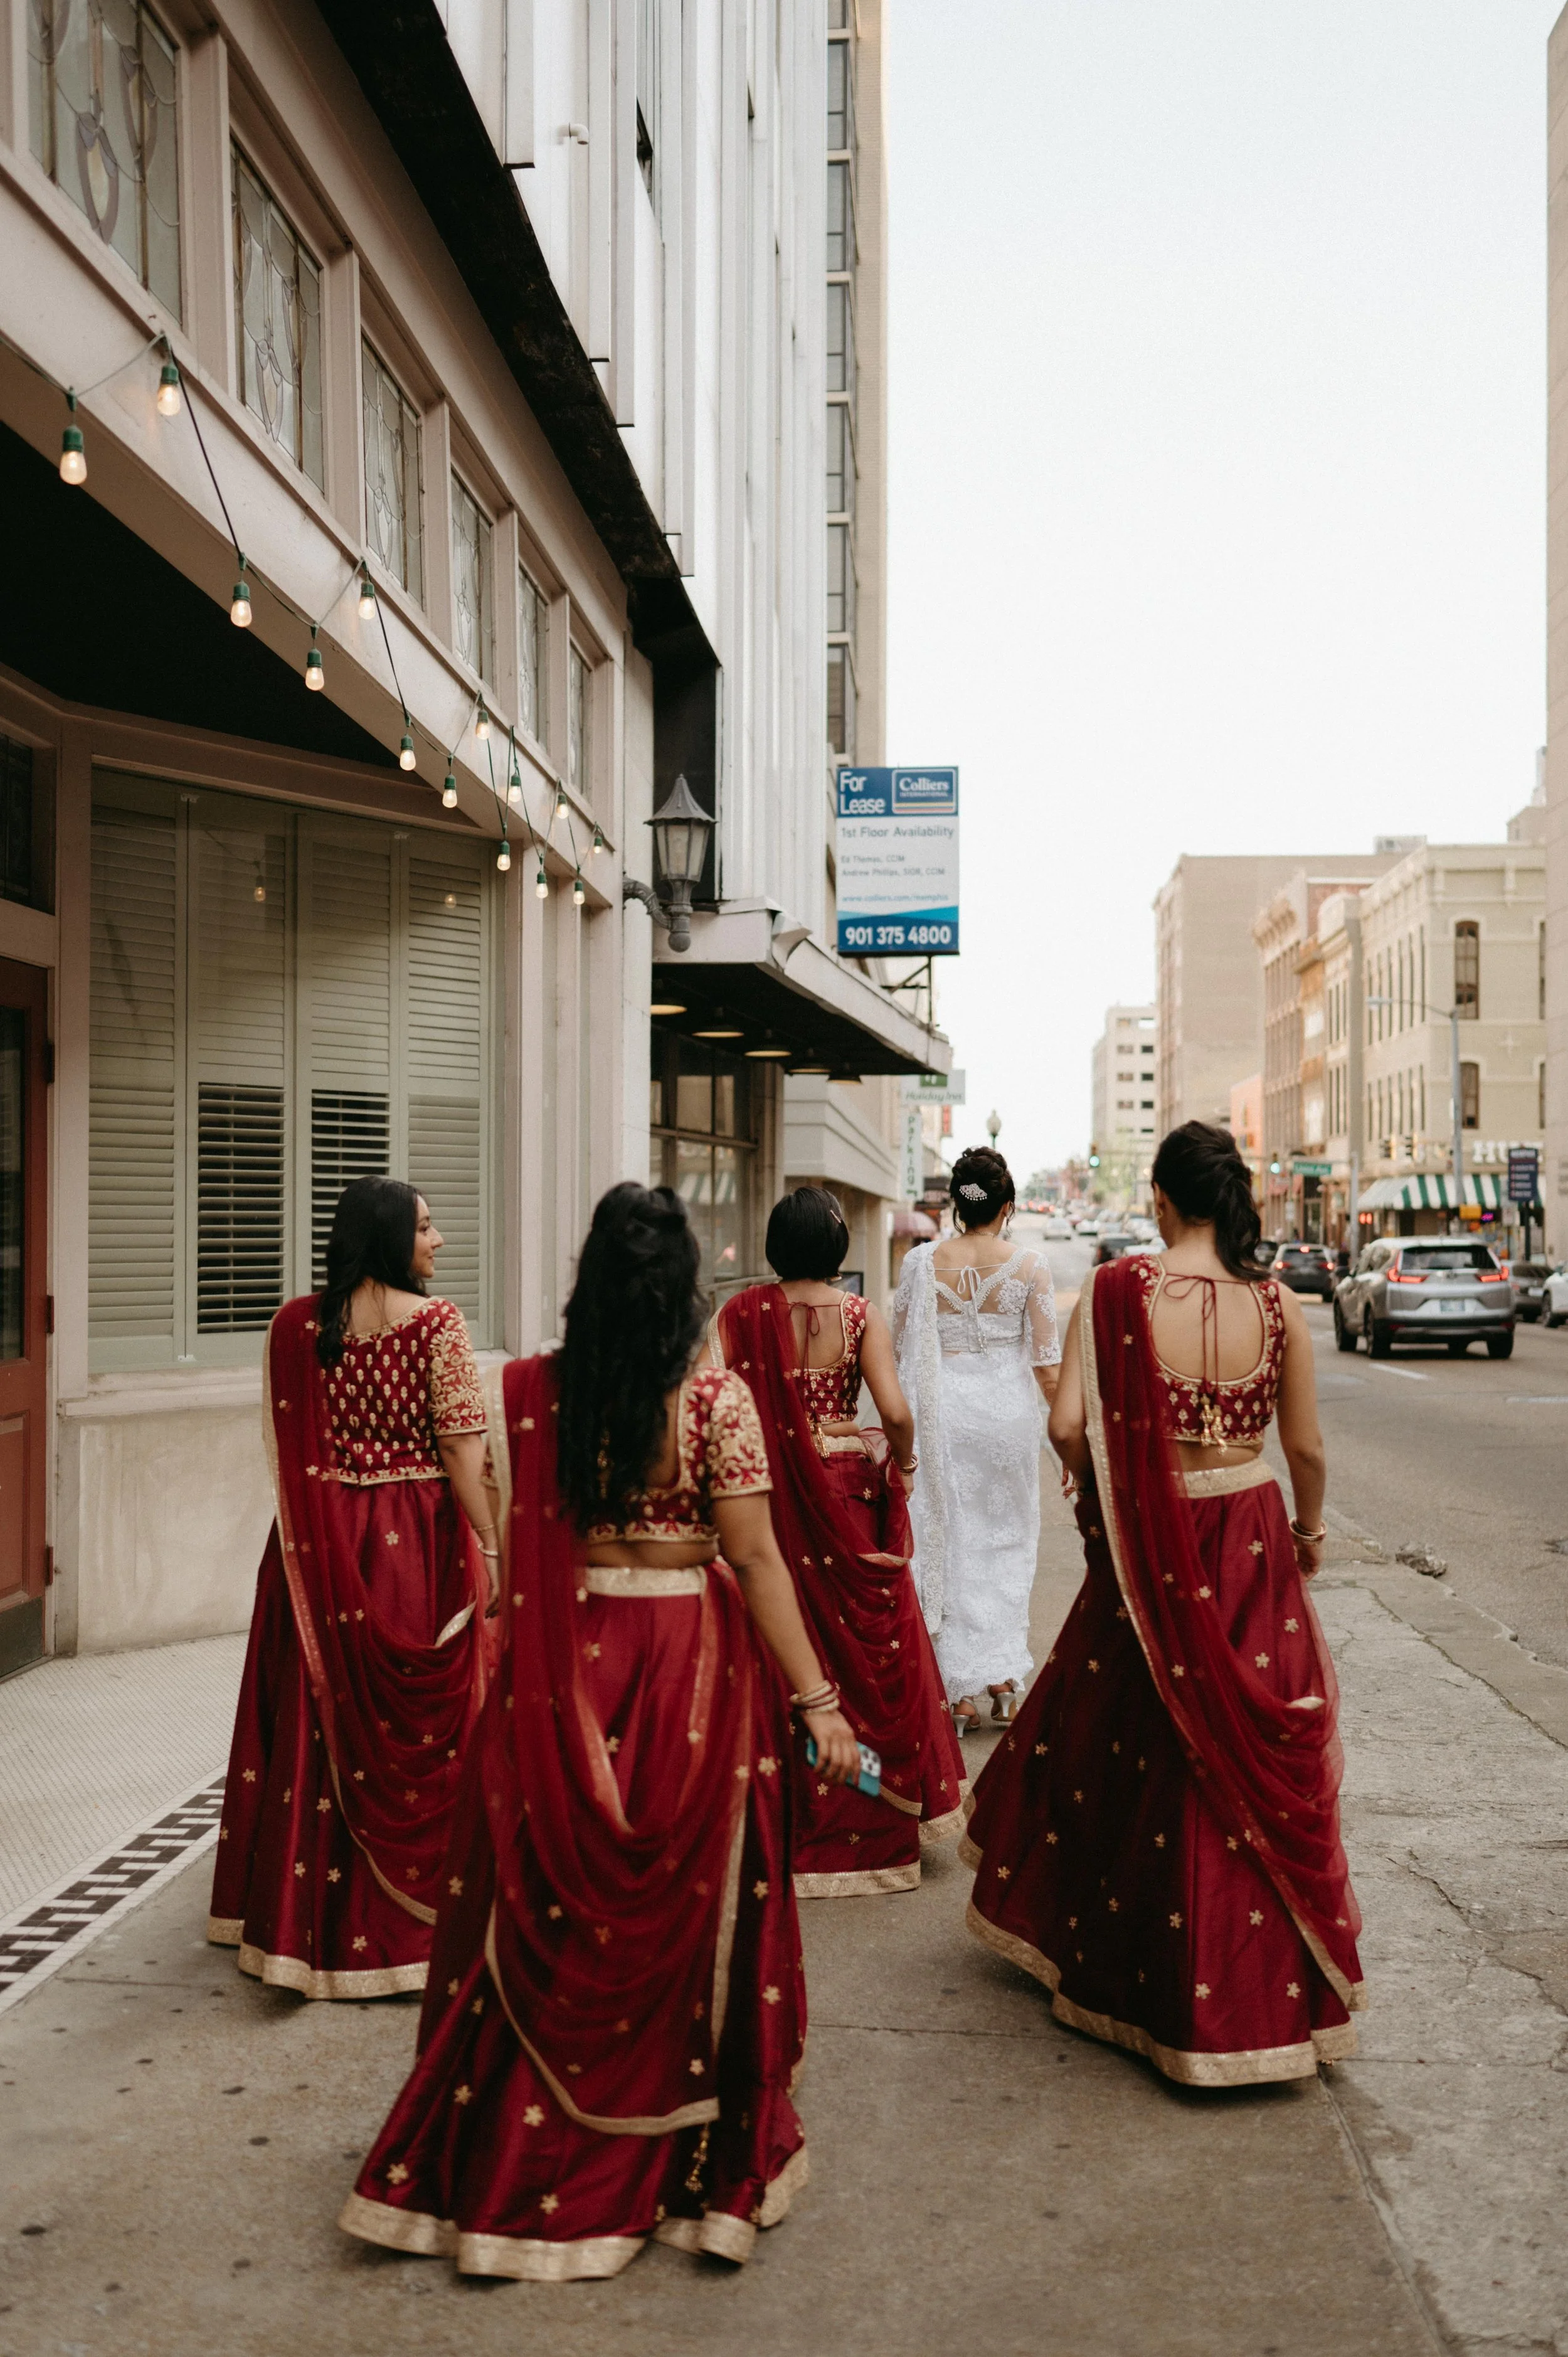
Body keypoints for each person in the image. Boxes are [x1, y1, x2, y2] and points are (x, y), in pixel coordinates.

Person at [339, 1183, 860, 2281]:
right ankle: (683, 2158)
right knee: (690, 1906)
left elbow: (527, 1525)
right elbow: (757, 1561)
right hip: (687, 1665)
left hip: (567, 1661)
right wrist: (820, 1700)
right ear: (683, 1290)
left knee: (555, 1904)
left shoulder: (536, 1392)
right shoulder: (713, 1403)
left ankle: (520, 2151)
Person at [963, 1121, 1365, 2087]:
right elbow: (1306, 1450)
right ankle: (1258, 1994)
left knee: (1138, 1740)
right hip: (1251, 1535)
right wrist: (1307, 1534)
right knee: (1246, 1751)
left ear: (1164, 1199)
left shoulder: (1119, 1291)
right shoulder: (1277, 1305)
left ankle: (1135, 1966)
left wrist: (1104, 1500)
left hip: (1156, 1535)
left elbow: (1068, 1424)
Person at [209, 1179, 495, 1998]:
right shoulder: (436, 1323)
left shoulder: (297, 1325)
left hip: (322, 1543)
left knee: (322, 1726)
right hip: (417, 1547)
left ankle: (304, 1931)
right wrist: (496, 1544)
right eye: (427, 1227)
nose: (438, 1241)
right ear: (390, 1236)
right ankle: (420, 1927)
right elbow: (463, 1449)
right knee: (424, 1733)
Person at [712, 1186, 968, 1896]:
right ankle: (867, 1809)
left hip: (762, 1492)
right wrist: (904, 1463)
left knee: (777, 1648)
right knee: (859, 1656)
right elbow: (892, 1410)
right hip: (845, 1494)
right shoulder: (858, 1316)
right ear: (835, 1248)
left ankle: (776, 1817)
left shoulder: (738, 1314)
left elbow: (709, 1400)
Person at [891, 1146, 1061, 1733]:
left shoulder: (920, 1263)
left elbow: (897, 1347)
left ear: (958, 1205)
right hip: (1006, 1424)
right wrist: (1069, 1449)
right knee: (1007, 1543)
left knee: (952, 1541)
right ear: (1007, 1207)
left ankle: (958, 1690)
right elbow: (1047, 1368)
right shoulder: (1032, 1266)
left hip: (942, 1419)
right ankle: (1001, 1682)